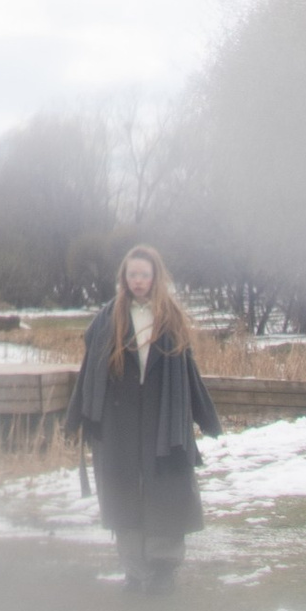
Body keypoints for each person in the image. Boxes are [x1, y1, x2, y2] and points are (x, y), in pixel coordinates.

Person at [64, 244, 221, 590]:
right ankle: (135, 570)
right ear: (124, 277)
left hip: (163, 421)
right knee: (123, 492)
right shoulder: (106, 320)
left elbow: (187, 371)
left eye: (144, 275)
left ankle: (164, 567)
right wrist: (77, 418)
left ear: (155, 277)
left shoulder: (171, 318)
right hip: (117, 423)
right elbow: (89, 370)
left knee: (165, 488)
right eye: (132, 274)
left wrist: (205, 417)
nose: (138, 281)